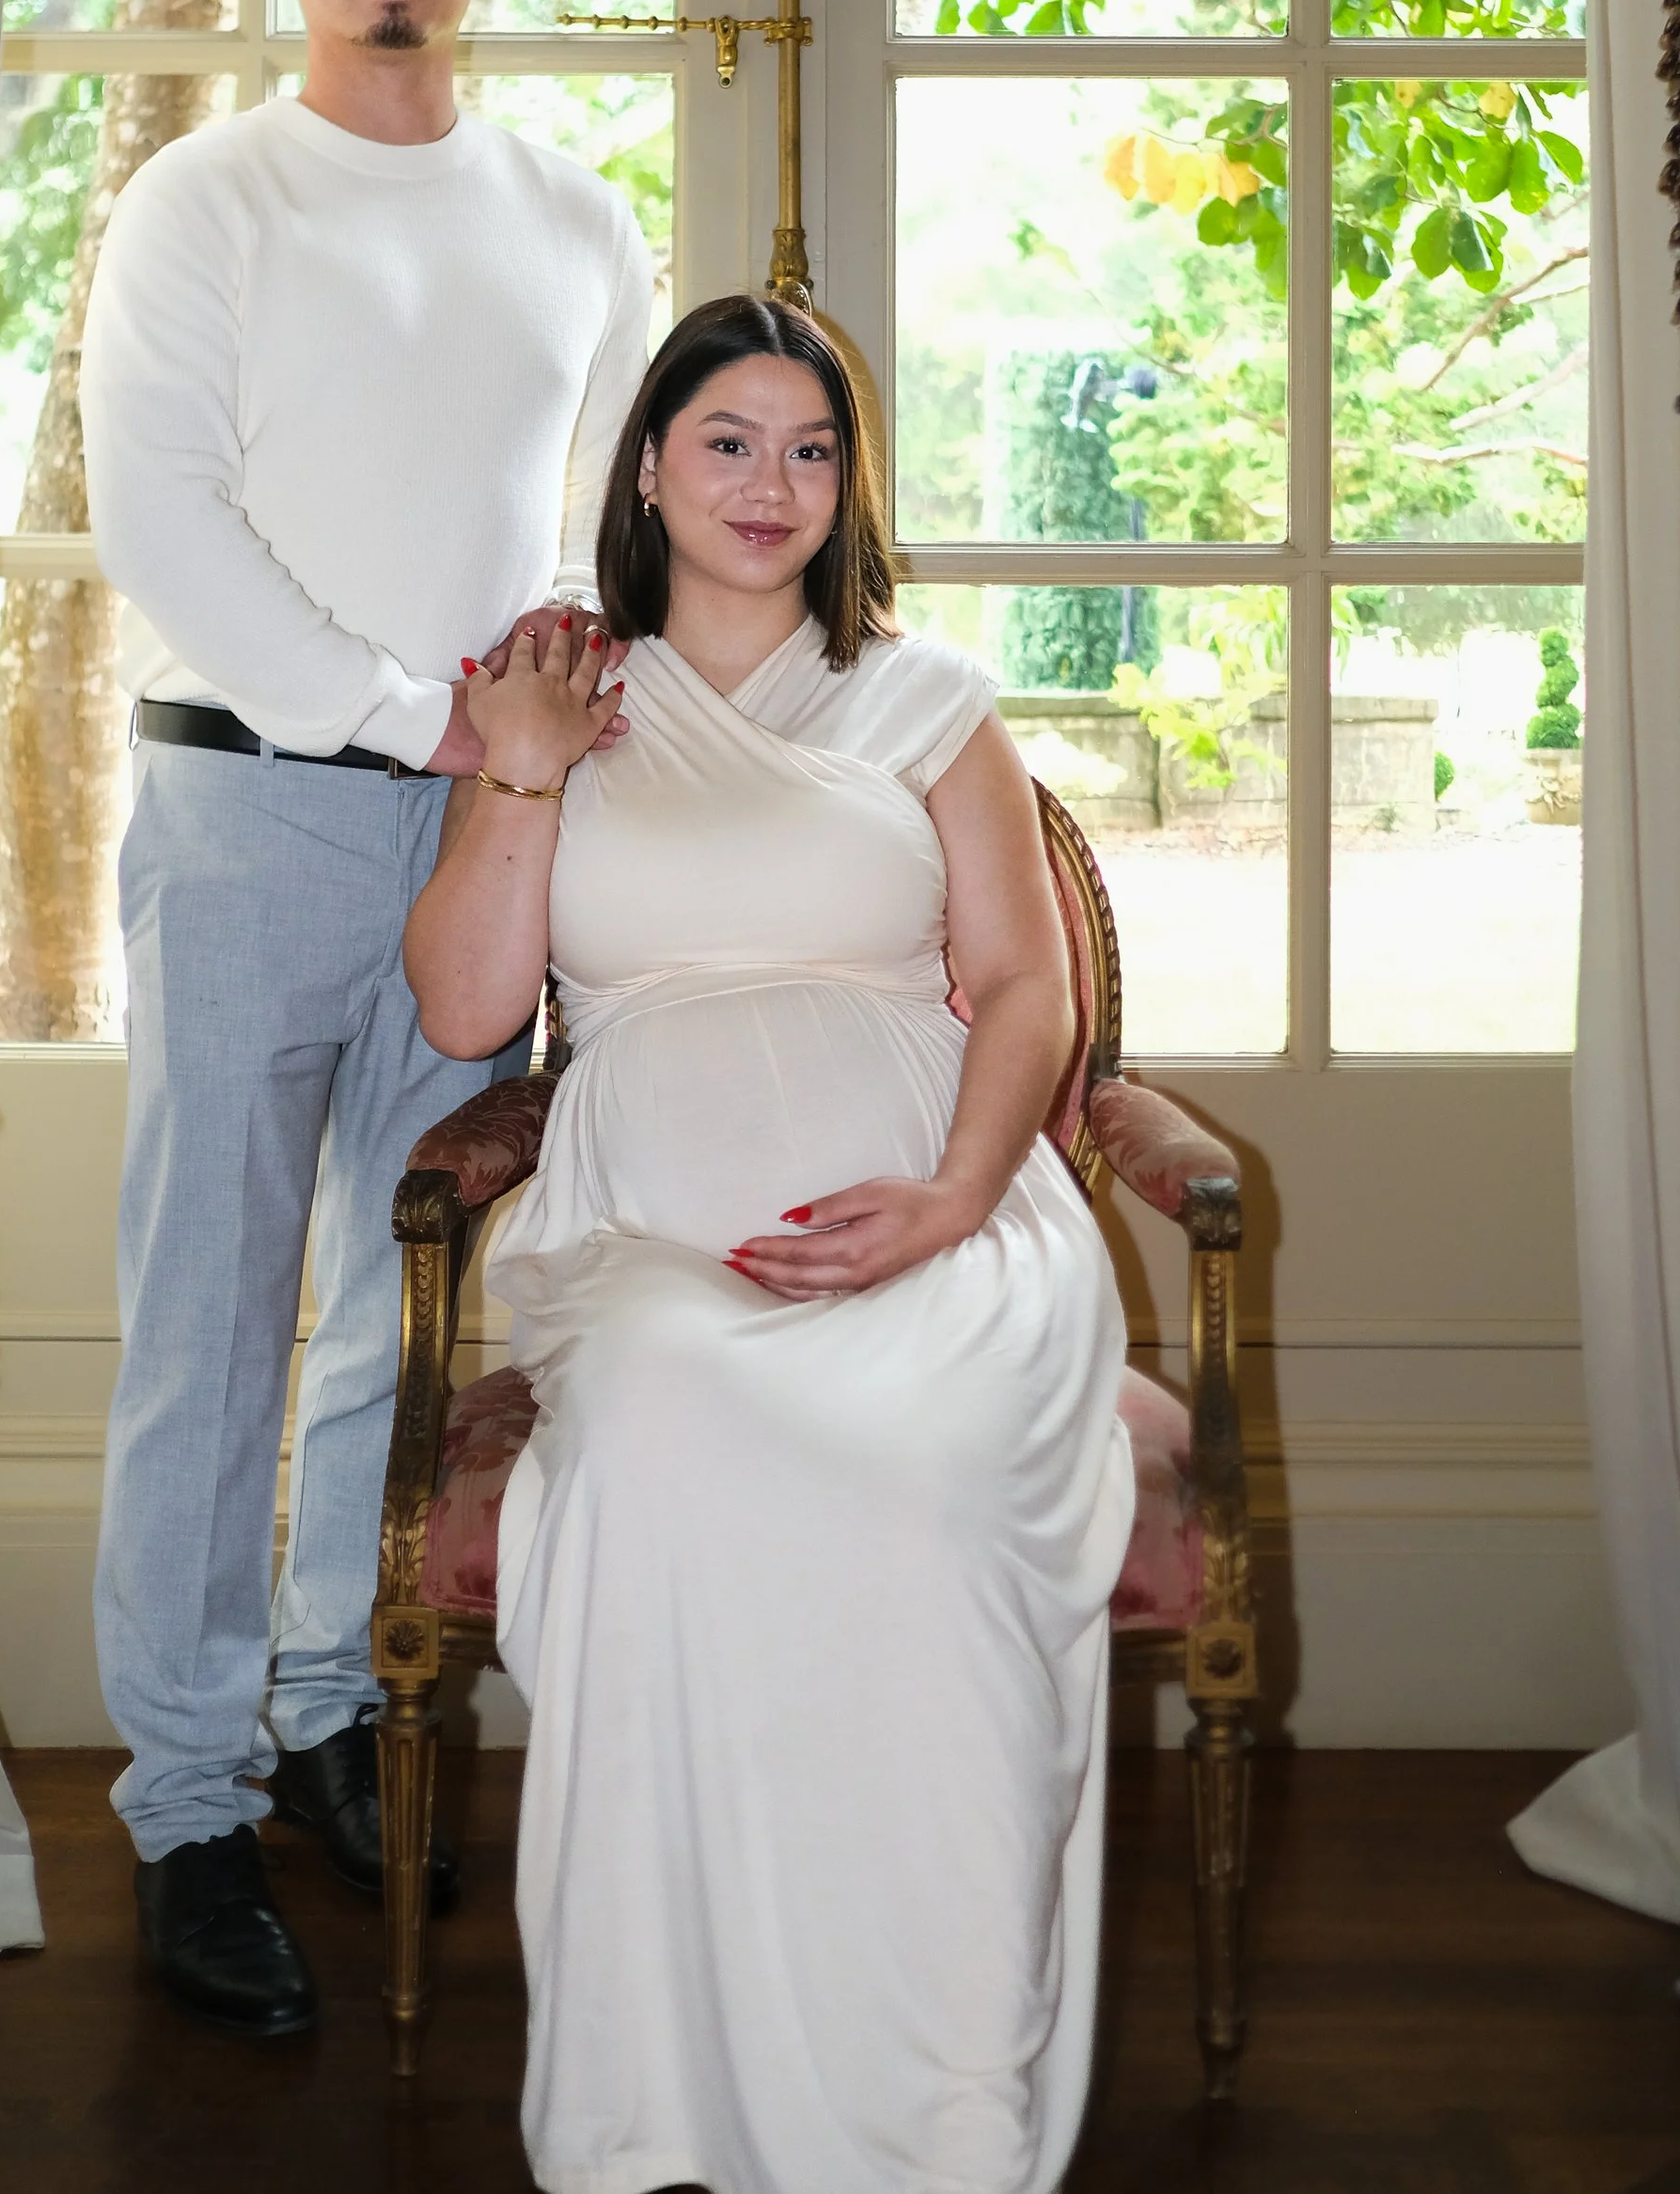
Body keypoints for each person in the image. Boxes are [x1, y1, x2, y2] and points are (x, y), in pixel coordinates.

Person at [402, 295, 1136, 2194]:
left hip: (938, 1218)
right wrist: (525, 763)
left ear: (847, 484)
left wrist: (962, 1197)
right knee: (650, 1411)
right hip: (647, 1235)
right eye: (726, 440)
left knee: (934, 1491)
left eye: (808, 450)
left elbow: (1017, 984)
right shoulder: (553, 699)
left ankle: (932, 2111)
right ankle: (668, 2094)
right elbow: (471, 1014)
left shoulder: (925, 702)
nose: (768, 485)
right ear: (646, 464)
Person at [78, 0, 652, 2037]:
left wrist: (517, 737)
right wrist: (412, 714)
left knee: (391, 1305)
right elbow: (167, 521)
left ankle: (329, 1702)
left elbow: (596, 539)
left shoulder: (572, 217)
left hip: (486, 831)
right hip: (253, 814)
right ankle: (185, 1806)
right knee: (210, 1320)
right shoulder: (204, 199)